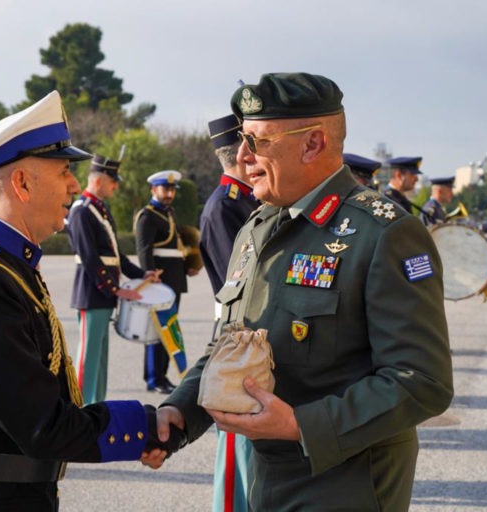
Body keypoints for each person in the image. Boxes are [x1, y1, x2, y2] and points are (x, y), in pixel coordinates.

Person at [147, 73, 454, 511]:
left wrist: (300, 425)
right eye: (241, 141)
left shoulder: (383, 233)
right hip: (267, 476)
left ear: (312, 144)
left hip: (345, 482)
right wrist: (180, 411)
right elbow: (229, 342)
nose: (241, 156)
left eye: (257, 142)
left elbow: (422, 382)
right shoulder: (258, 228)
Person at [0, 91, 178, 512]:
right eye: (64, 171)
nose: (73, 185)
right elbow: (42, 425)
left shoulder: (8, 265)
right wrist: (145, 425)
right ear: (22, 183)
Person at [200, 114, 259, 512]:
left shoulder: (248, 201)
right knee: (236, 441)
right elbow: (236, 287)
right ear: (240, 152)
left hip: (251, 336)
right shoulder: (225, 207)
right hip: (239, 336)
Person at [67, 154, 158, 404]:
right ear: (99, 180)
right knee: (88, 357)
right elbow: (90, 258)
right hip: (92, 292)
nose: (116, 186)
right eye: (113, 181)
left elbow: (116, 255)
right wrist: (115, 289)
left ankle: (97, 408)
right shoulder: (82, 211)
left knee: (100, 359)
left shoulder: (100, 209)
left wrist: (142, 274)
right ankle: (80, 411)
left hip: (103, 294)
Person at [134, 171, 194, 394]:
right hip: (159, 280)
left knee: (169, 329)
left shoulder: (169, 213)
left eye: (171, 190)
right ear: (153, 190)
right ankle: (153, 377)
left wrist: (189, 265)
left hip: (174, 279)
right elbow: (143, 249)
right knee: (157, 329)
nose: (169, 193)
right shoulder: (147, 216)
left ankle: (162, 375)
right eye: (164, 189)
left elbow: (176, 247)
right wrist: (149, 275)